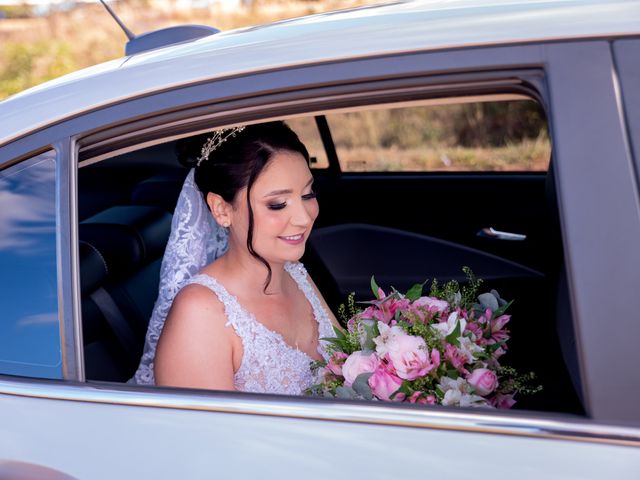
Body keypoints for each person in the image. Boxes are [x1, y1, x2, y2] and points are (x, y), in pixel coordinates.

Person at [131, 121, 339, 395]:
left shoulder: (296, 274)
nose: (304, 217)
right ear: (221, 210)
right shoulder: (201, 313)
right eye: (277, 204)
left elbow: (348, 371)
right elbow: (199, 435)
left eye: (307, 194)